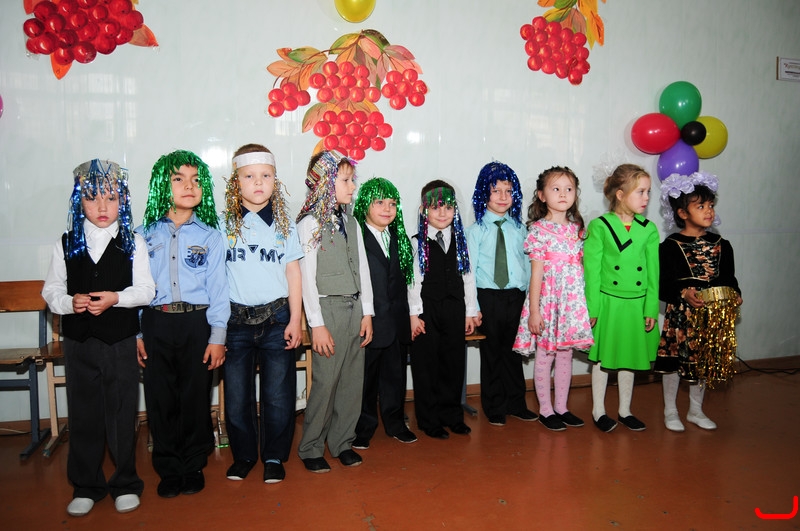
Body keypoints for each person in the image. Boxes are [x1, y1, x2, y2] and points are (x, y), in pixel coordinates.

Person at [42, 159, 155, 517]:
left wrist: (116, 298)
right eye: (92, 198)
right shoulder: (66, 244)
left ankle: (125, 483)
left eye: (111, 197)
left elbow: (147, 290)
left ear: (123, 200)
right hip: (79, 344)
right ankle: (86, 485)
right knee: (83, 414)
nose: (102, 206)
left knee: (122, 413)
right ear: (79, 202)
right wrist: (68, 303)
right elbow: (51, 290)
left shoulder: (133, 242)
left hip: (119, 342)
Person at [135, 150, 230, 498]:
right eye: (179, 179)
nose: (189, 186)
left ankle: (193, 464)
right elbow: (133, 288)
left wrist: (217, 336)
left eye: (196, 180)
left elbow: (219, 289)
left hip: (196, 323)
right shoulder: (142, 235)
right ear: (163, 185)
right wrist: (137, 333)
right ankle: (169, 467)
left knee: (194, 396)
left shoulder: (211, 236)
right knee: (160, 398)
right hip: (156, 322)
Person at [221, 144, 303, 483]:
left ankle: (273, 456)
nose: (258, 182)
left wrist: (295, 320)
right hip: (235, 323)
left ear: (275, 181)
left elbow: (293, 273)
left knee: (278, 395)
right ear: (235, 183)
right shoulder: (223, 224)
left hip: (277, 320)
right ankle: (243, 456)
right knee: (237, 396)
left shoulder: (285, 224)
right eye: (249, 176)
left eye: (266, 175)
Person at [296, 150, 374, 473]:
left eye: (352, 180)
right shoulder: (310, 224)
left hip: (355, 308)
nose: (352, 186)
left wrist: (367, 312)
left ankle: (342, 442)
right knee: (326, 383)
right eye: (345, 180)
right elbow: (306, 277)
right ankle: (311, 446)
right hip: (327, 308)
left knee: (351, 382)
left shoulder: (351, 222)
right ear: (325, 183)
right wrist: (316, 324)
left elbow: (363, 268)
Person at [656, 171, 742, 432]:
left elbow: (729, 278)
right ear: (682, 213)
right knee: (674, 364)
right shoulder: (670, 246)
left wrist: (735, 293)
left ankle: (695, 410)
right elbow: (663, 285)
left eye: (711, 205)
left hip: (710, 316)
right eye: (701, 206)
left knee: (702, 361)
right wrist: (684, 293)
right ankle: (670, 410)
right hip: (681, 317)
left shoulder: (722, 244)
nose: (709, 211)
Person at [513, 166, 594, 431]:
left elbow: (583, 271)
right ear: (542, 195)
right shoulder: (539, 230)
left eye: (569, 189)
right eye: (556, 189)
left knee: (566, 355)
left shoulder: (578, 230)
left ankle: (562, 407)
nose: (563, 194)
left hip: (570, 303)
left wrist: (585, 307)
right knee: (545, 355)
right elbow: (536, 274)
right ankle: (545, 410)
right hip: (547, 302)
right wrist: (535, 312)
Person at [583, 163, 659, 433]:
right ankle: (598, 410)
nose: (646, 198)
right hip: (609, 303)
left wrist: (650, 308)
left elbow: (653, 273)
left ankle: (625, 410)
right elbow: (592, 273)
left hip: (637, 303)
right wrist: (593, 308)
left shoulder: (649, 229)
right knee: (603, 359)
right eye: (640, 192)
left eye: (648, 192)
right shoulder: (600, 226)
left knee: (630, 357)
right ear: (620, 194)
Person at [466, 162, 538, 427]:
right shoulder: (476, 231)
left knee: (514, 352)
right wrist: (473, 307)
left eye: (508, 191)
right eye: (496, 191)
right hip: (488, 297)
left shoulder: (520, 229)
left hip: (515, 297)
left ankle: (516, 404)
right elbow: (469, 273)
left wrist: (530, 301)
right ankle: (494, 406)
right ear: (484, 193)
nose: (503, 197)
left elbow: (528, 265)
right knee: (492, 353)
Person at [408, 180, 479, 439]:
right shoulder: (416, 242)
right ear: (423, 210)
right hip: (427, 312)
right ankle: (429, 420)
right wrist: (414, 315)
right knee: (427, 366)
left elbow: (468, 278)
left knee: (453, 363)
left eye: (448, 207)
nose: (442, 213)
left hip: (454, 309)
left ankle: (452, 415)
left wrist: (470, 312)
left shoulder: (461, 242)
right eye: (436, 207)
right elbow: (413, 282)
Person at [351, 177, 417, 448]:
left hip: (397, 321)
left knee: (395, 377)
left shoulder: (400, 238)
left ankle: (395, 423)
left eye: (392, 203)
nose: (387, 209)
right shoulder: (356, 237)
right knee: (365, 380)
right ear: (365, 204)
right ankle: (362, 428)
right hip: (369, 322)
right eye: (379, 202)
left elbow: (409, 282)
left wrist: (413, 315)